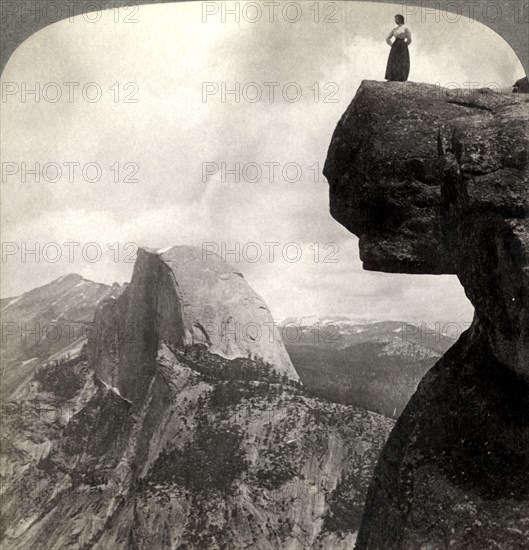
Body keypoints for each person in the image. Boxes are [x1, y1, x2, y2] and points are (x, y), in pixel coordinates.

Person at [385, 14, 412, 82]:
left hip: (402, 46)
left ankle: (402, 78)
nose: (396, 20)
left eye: (397, 19)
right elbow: (387, 38)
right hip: (395, 45)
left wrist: (404, 46)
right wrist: (392, 45)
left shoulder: (405, 28)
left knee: (402, 61)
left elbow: (409, 39)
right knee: (393, 60)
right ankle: (392, 77)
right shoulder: (394, 29)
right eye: (395, 19)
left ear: (400, 19)